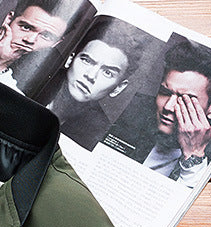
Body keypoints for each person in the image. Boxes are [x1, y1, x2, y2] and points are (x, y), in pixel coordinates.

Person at [107, 39, 211, 187]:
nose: (168, 107)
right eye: (165, 92)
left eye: (185, 99)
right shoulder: (135, 110)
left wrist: (194, 155)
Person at [40, 20, 141, 150]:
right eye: (86, 61)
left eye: (107, 72)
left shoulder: (98, 132)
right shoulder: (33, 82)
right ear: (70, 59)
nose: (91, 76)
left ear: (118, 88)